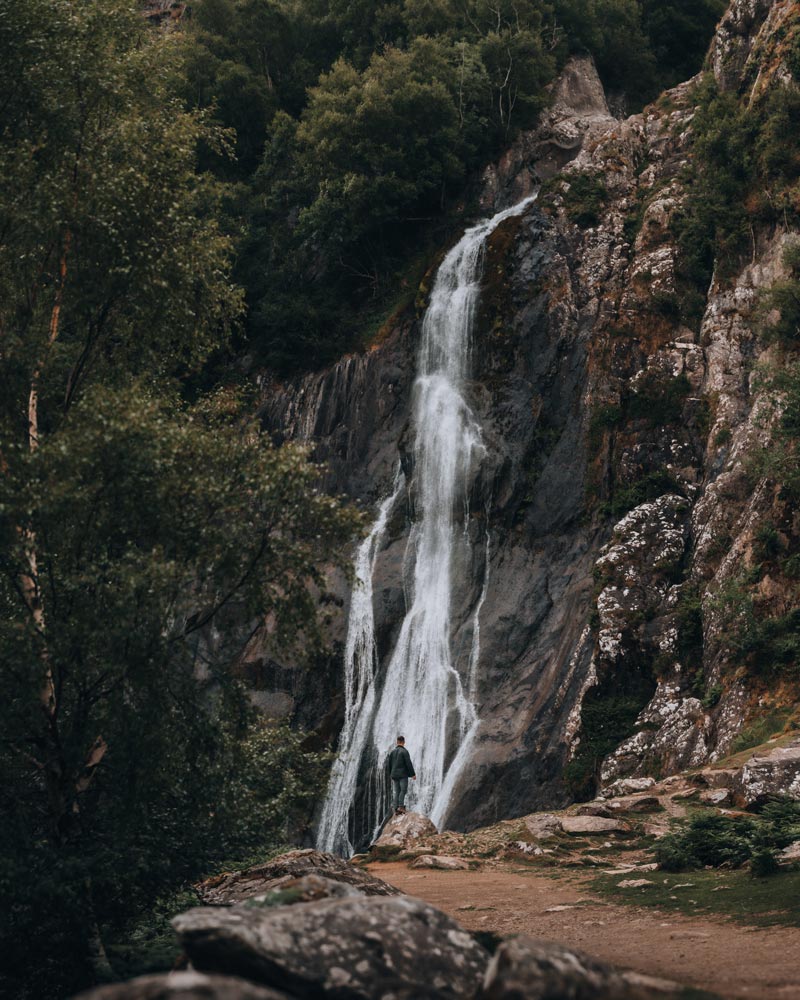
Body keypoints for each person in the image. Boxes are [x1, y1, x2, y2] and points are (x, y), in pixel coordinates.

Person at [387, 736, 416, 814]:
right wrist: (413, 774)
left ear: (397, 742)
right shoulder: (404, 751)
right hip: (402, 775)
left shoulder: (392, 752)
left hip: (394, 775)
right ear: (403, 742)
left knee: (397, 791)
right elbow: (408, 764)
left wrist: (390, 774)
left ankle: (396, 808)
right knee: (403, 790)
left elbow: (389, 765)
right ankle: (401, 807)